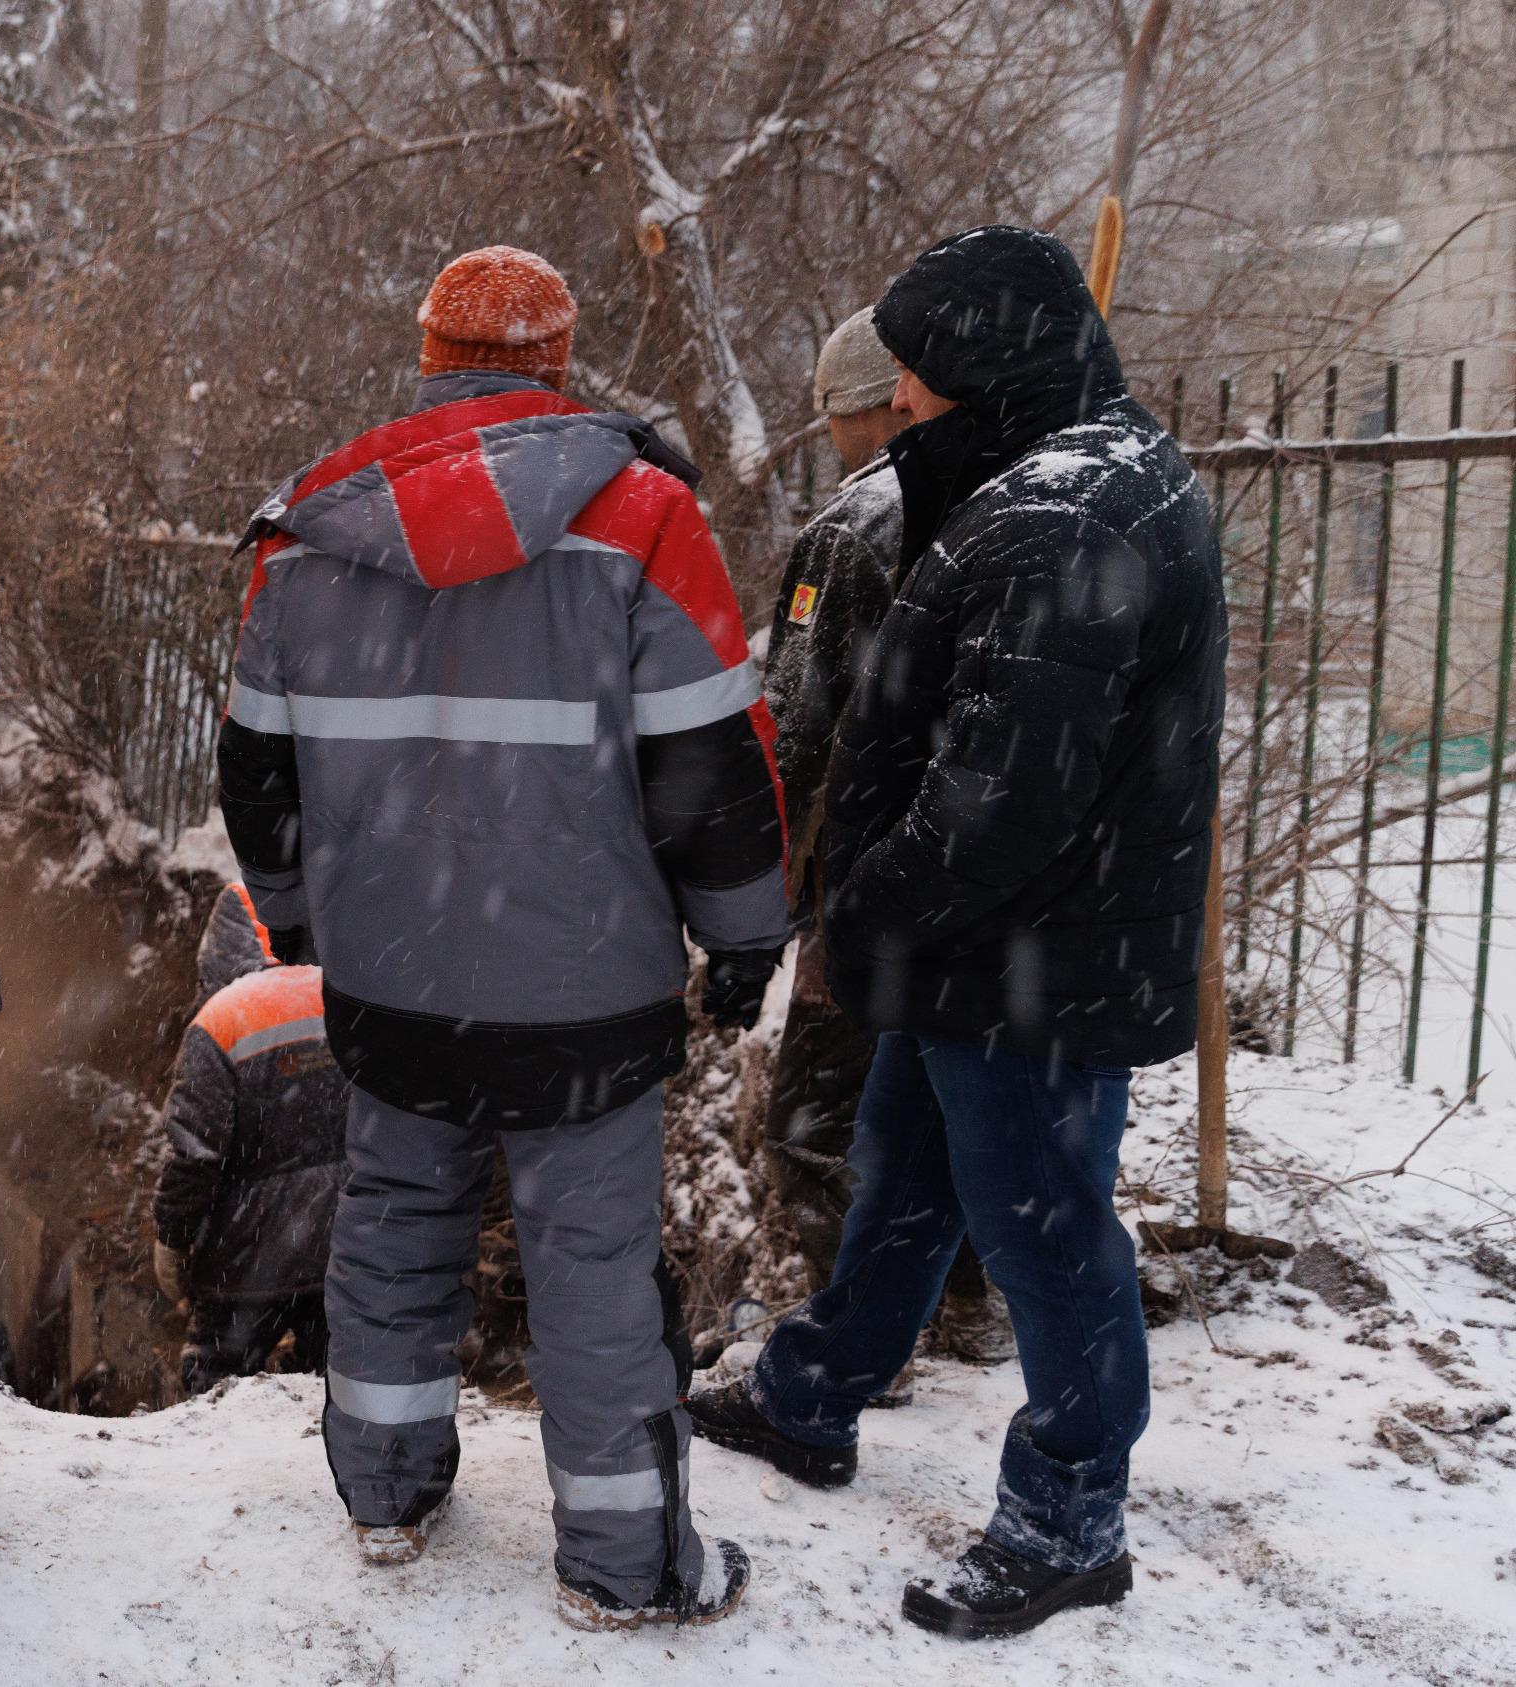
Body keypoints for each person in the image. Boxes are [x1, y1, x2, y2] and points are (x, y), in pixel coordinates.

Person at [220, 246, 789, 1628]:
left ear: (428, 355)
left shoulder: (305, 539)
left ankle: (387, 1493)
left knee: (397, 1217)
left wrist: (303, 920)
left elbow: (254, 771)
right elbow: (712, 762)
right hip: (584, 980)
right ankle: (624, 1562)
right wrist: (743, 933)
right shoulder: (644, 521)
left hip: (391, 976)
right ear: (557, 360)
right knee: (591, 1261)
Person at [687, 225, 1224, 1639]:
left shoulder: (1067, 514)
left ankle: (1068, 1510)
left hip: (1028, 955)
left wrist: (867, 902)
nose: (902, 405)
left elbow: (1000, 803)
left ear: (984, 368)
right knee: (908, 1167)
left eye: (919, 381)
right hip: (995, 946)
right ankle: (815, 1391)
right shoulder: (1067, 471)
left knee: (1046, 1226)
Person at [758, 308, 1007, 1362]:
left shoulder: (857, 524)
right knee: (953, 1101)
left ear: (865, 408)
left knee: (816, 1119)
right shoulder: (1013, 499)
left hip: (870, 876)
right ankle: (961, 1303)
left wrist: (766, 875)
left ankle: (860, 1331)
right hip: (991, 871)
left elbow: (799, 715)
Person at [152, 884, 346, 1393]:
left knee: (213, 1397)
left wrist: (171, 1238)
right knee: (339, 1393)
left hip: (247, 1262)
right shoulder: (349, 997)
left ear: (221, 946)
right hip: (348, 1250)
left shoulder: (223, 1019)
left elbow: (194, 1157)